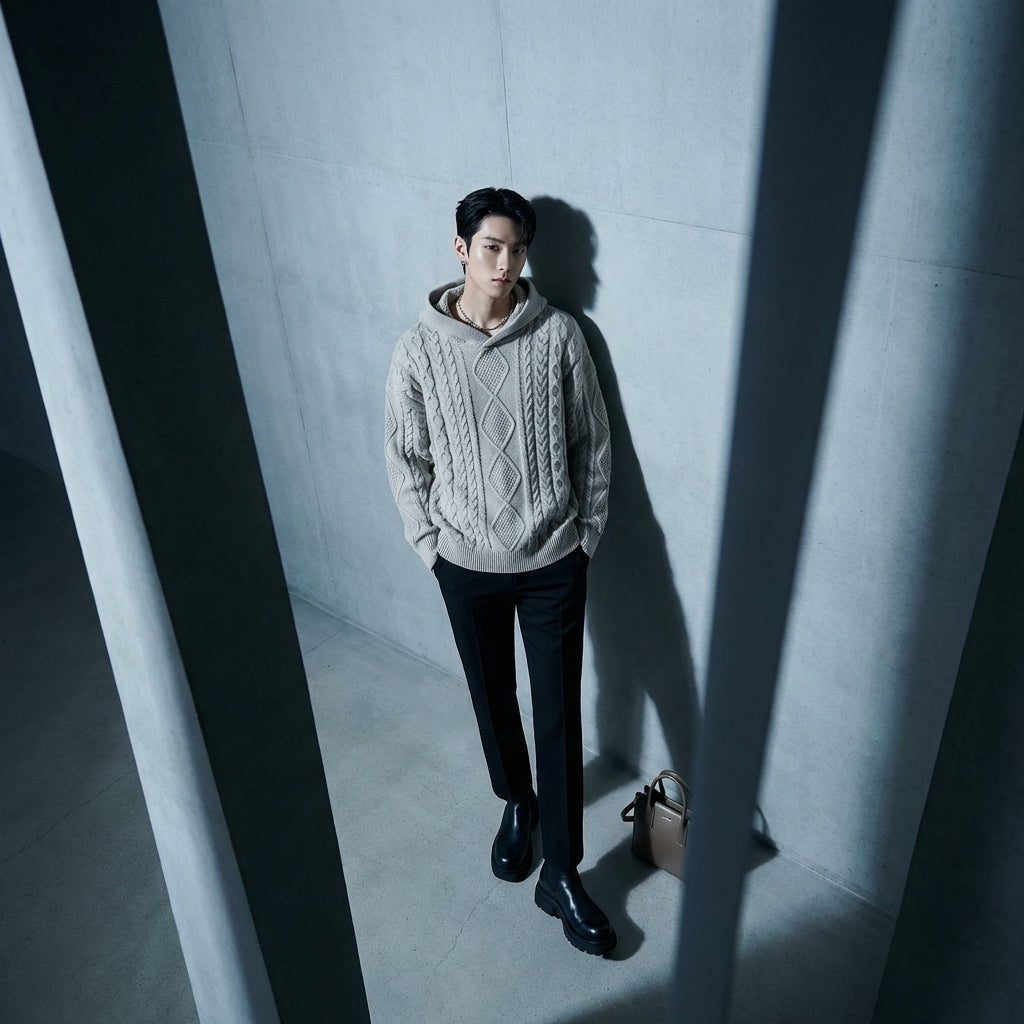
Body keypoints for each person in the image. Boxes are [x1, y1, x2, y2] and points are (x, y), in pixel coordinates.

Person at [384, 187, 614, 955]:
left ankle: (563, 873)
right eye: (492, 247)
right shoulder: (418, 349)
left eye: (517, 250)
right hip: (465, 563)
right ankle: (518, 801)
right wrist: (430, 544)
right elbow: (405, 457)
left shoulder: (560, 335)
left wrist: (586, 536)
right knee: (493, 699)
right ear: (461, 249)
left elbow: (593, 442)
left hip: (553, 561)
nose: (506, 263)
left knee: (558, 713)